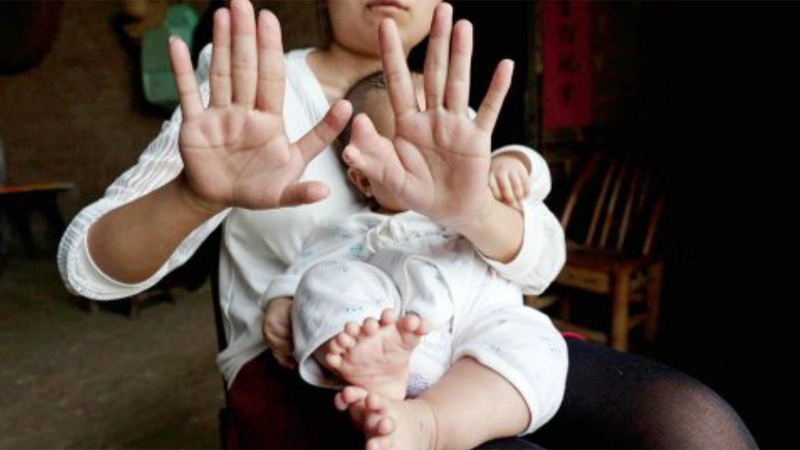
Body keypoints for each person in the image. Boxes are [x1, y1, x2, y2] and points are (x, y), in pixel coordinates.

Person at [57, 0, 758, 448]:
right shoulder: (251, 89)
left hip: (471, 333)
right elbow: (87, 266)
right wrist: (194, 196)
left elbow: (542, 262)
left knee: (693, 426)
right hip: (311, 360)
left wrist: (473, 208)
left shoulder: (444, 101)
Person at [259, 71, 567, 443]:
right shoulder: (350, 227)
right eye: (408, 154)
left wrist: (511, 164)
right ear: (364, 180)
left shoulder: (484, 197)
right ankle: (375, 371)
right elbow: (306, 273)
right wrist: (282, 302)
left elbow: (538, 201)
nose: (433, 164)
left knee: (538, 342)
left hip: (487, 331)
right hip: (395, 339)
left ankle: (430, 424)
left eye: (442, 145)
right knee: (325, 280)